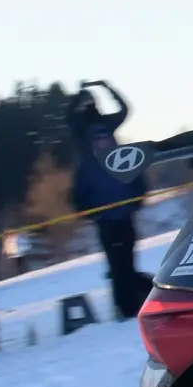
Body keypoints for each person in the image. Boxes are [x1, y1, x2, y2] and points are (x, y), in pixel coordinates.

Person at [72, 127, 152, 320]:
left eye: (105, 138)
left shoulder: (123, 157)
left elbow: (138, 183)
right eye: (98, 139)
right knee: (116, 266)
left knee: (128, 262)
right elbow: (78, 196)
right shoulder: (87, 166)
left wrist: (135, 204)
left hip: (125, 218)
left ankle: (137, 300)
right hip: (106, 223)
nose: (103, 142)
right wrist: (94, 214)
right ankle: (124, 307)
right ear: (93, 142)